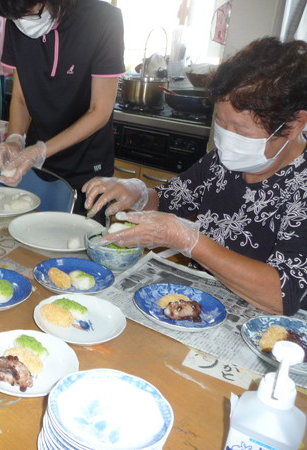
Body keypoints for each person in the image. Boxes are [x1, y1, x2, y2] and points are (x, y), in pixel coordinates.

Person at [82, 37, 307, 316]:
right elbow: (167, 200)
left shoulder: (301, 186)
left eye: (240, 129)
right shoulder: (222, 162)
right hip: (199, 306)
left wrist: (190, 241)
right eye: (221, 123)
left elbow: (284, 295)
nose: (226, 138)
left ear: (294, 124)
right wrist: (138, 194)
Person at [0, 0, 125, 217]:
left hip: (86, 167)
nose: (22, 23)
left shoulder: (103, 19)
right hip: (36, 166)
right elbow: (22, 98)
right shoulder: (17, 17)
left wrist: (41, 150)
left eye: (29, 12)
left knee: (78, 244)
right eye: (13, 17)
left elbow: (99, 111)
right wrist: (15, 139)